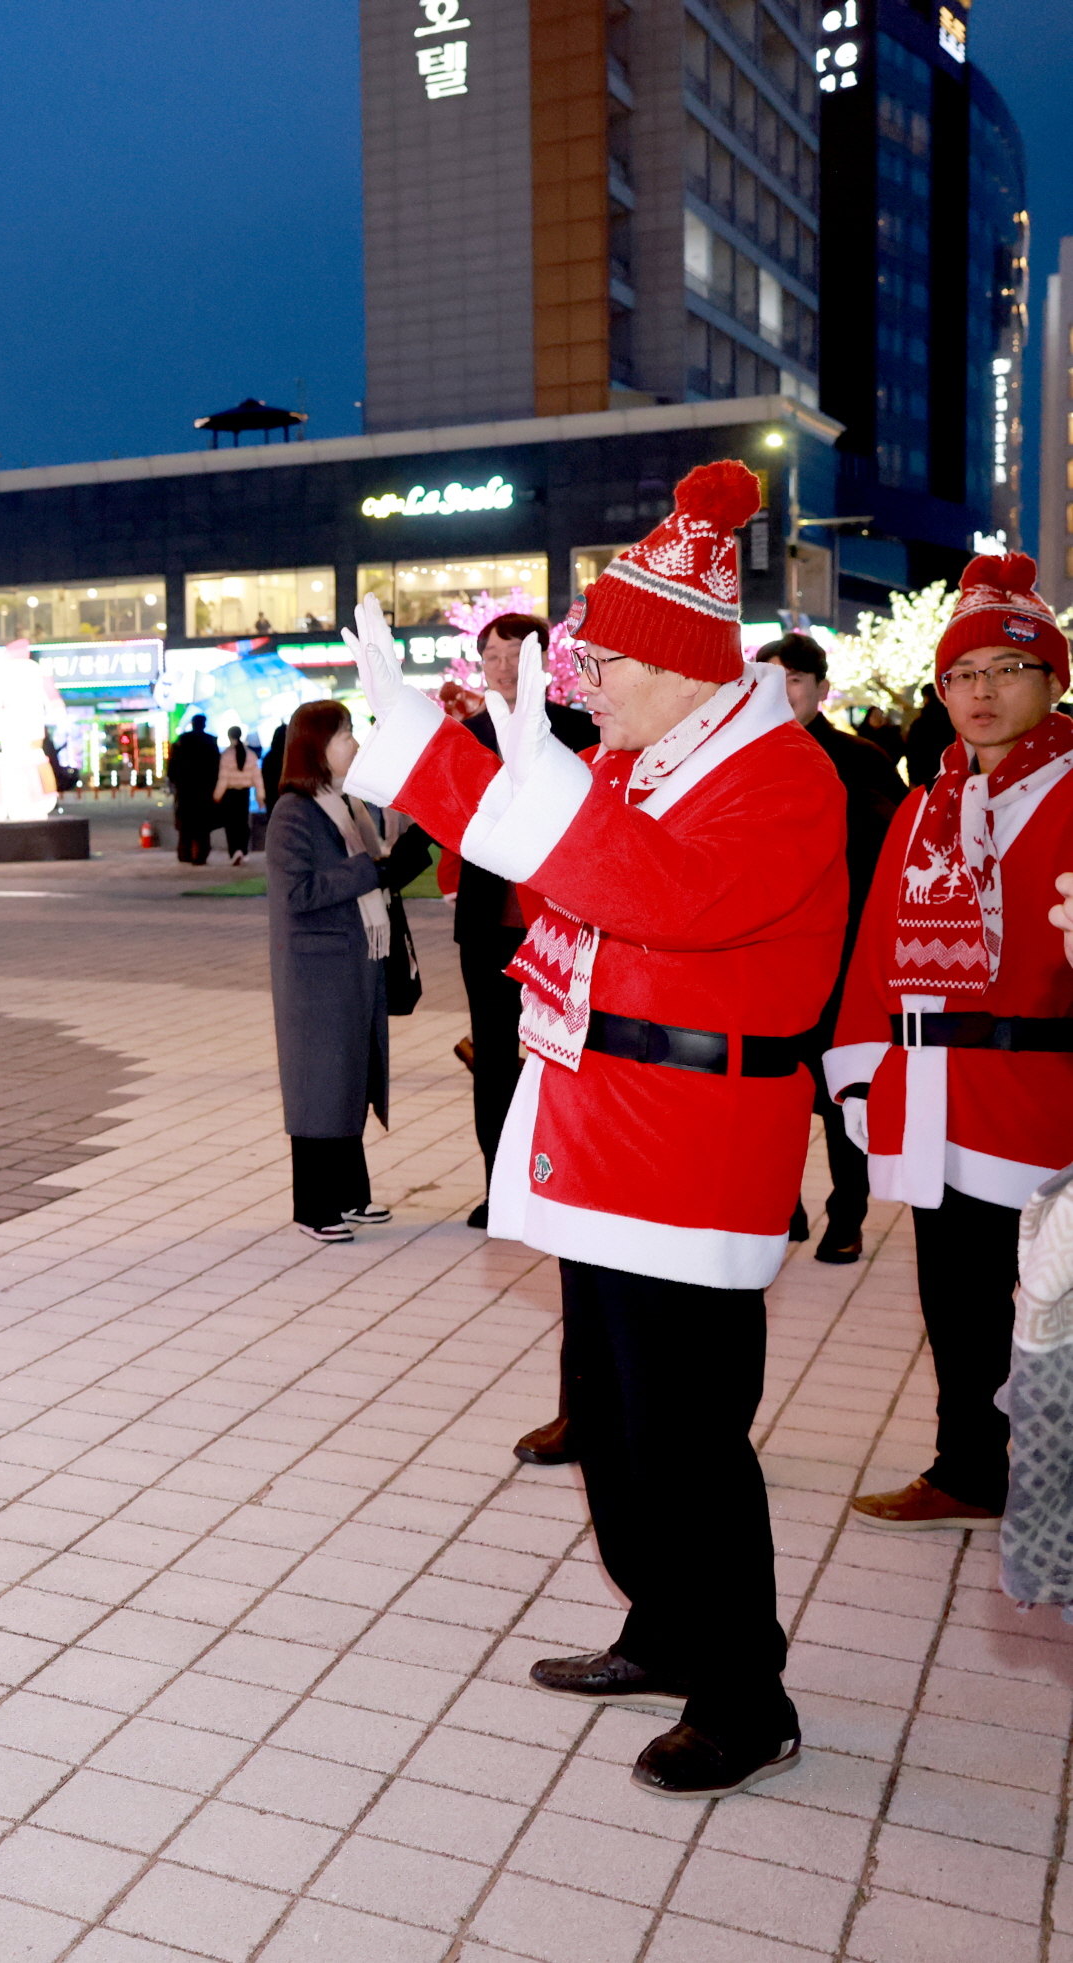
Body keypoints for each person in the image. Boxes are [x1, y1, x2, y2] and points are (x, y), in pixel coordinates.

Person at [343, 461, 843, 1800]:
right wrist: (434, 758)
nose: (582, 680)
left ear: (681, 660)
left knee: (686, 1433)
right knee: (616, 1422)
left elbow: (654, 896)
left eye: (604, 657)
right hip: (603, 1122)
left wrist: (445, 766)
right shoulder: (640, 761)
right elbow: (555, 850)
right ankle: (663, 1624)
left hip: (689, 1140)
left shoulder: (777, 777)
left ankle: (744, 1689)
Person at [831, 555, 1073, 1534]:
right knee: (955, 1297)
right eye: (960, 674)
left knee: (1049, 1311)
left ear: (1052, 679)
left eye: (1004, 670)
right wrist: (856, 1073)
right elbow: (872, 953)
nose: (980, 691)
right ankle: (966, 1465)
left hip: (1039, 1091)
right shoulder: (925, 805)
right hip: (932, 1090)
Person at [445, 615, 606, 1464]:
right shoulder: (468, 736)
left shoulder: (581, 731)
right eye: (492, 657)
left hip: (566, 926)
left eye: (518, 656)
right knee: (491, 1062)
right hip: (487, 928)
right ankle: (494, 1181)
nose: (503, 668)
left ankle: (551, 1173)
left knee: (554, 1068)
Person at [761, 632, 901, 1265]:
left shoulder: (860, 758)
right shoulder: (736, 758)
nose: (778, 692)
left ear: (820, 688)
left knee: (842, 1093)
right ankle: (778, 1207)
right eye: (765, 679)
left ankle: (846, 1216)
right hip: (764, 963)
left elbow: (888, 854)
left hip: (842, 959)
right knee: (770, 1091)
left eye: (792, 680)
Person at [267, 699, 429, 1242]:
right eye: (344, 736)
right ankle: (315, 1206)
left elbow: (372, 878)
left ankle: (350, 1195)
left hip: (356, 966)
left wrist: (396, 861)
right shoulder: (296, 810)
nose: (354, 745)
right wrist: (371, 870)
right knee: (320, 1085)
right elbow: (298, 892)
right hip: (318, 977)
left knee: (351, 1077)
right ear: (317, 748)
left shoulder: (345, 804)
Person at [168, 713, 222, 866]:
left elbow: (172, 767)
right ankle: (201, 855)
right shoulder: (210, 741)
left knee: (185, 823)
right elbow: (216, 766)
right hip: (204, 789)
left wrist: (175, 782)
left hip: (184, 788)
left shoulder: (181, 742)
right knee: (202, 824)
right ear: (204, 724)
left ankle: (184, 853)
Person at [215, 725, 261, 865]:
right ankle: (244, 850)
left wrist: (217, 795)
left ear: (230, 736)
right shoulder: (251, 755)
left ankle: (234, 851)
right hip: (244, 793)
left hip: (230, 794)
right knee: (243, 822)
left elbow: (224, 778)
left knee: (231, 823)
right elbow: (257, 777)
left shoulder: (226, 755)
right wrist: (260, 795)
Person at [905, 682, 954, 786]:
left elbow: (913, 751)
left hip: (925, 776)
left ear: (926, 697)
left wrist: (913, 778)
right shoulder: (952, 719)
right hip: (950, 774)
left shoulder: (921, 722)